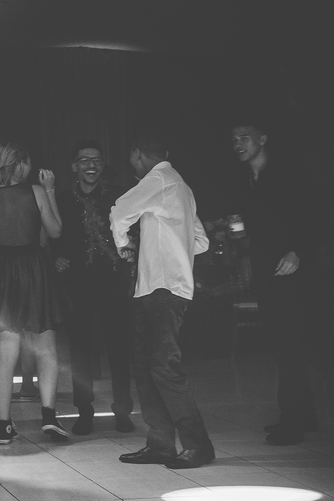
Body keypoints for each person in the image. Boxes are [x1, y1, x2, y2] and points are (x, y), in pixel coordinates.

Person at [111, 134, 214, 469]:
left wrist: (124, 244)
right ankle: (160, 444)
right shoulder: (181, 186)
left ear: (137, 154)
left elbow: (120, 211)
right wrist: (170, 245)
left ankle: (198, 445)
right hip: (165, 286)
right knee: (147, 367)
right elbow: (201, 241)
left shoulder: (158, 179)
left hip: (162, 288)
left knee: (163, 368)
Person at [0, 143, 70, 445]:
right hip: (33, 269)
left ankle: (4, 426)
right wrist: (50, 190)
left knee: (4, 352)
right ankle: (49, 416)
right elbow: (55, 231)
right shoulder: (36, 192)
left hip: (0, 273)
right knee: (46, 348)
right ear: (19, 164)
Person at [228, 123, 316, 445]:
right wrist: (239, 239)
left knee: (289, 344)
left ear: (262, 140)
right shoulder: (245, 180)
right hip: (266, 270)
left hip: (292, 270)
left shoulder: (285, 175)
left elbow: (312, 215)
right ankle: (304, 415)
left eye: (244, 138)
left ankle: (292, 422)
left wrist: (297, 251)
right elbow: (247, 227)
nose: (238, 144)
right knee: (283, 345)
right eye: (234, 140)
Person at [52, 142, 135, 436]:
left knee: (119, 349)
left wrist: (131, 251)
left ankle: (123, 411)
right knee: (80, 351)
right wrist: (56, 256)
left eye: (96, 160)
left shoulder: (117, 198)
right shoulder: (63, 200)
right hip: (78, 284)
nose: (91, 165)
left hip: (113, 281)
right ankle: (84, 412)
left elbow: (132, 231)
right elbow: (52, 235)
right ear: (74, 166)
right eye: (85, 160)